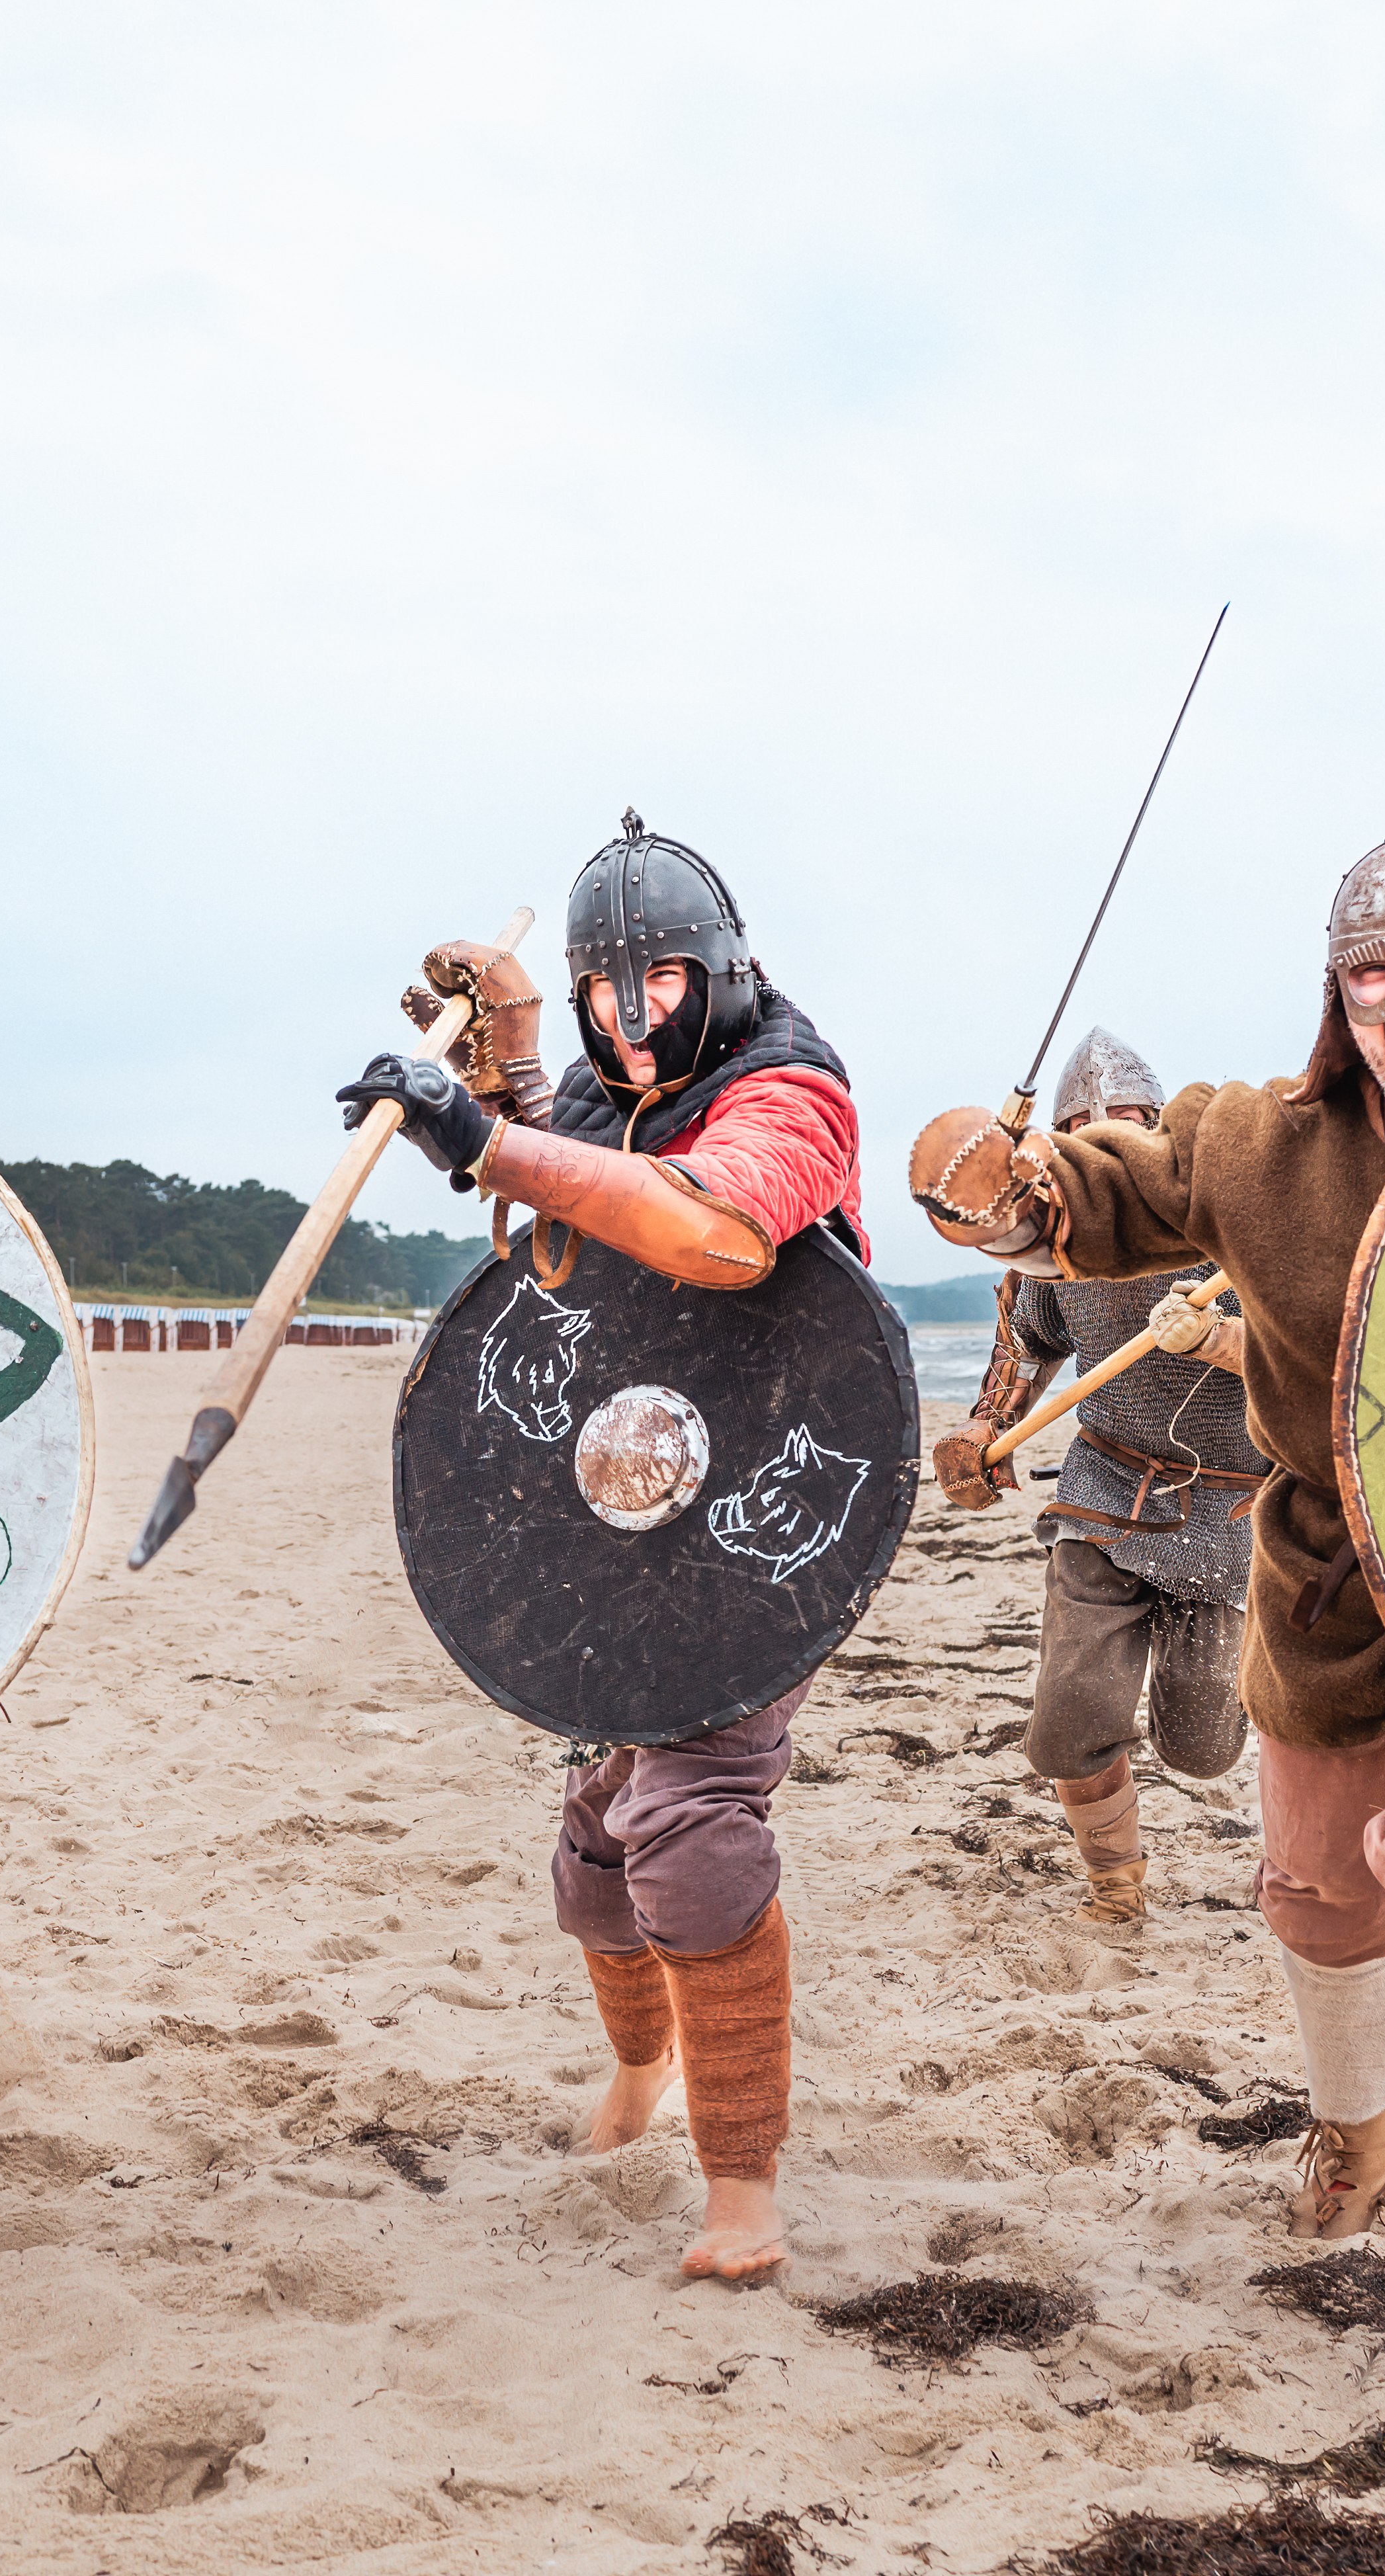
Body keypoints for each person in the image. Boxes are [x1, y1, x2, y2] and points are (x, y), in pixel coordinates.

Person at [907, 833, 1385, 2327]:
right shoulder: (1263, 1147)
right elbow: (1108, 1196)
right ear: (1338, 998)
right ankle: (1363, 2129)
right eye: (1376, 974)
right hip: (1325, 1574)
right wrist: (1010, 1196)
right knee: (1321, 1890)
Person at [336, 812, 867, 2282]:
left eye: (663, 985)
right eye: (602, 995)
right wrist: (504, 1051)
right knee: (594, 1859)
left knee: (690, 1830)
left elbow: (710, 1225)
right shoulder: (603, 1083)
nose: (632, 1024)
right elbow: (558, 1214)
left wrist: (488, 1136)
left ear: (724, 972)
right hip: (622, 1498)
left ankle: (742, 2193)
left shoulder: (790, 1090)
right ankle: (642, 2067)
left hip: (771, 1506)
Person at [933, 1027, 1259, 1928]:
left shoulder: (1227, 1218)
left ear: (1156, 1125)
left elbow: (1314, 1354)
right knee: (1073, 1719)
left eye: (1125, 1119)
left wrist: (1221, 1338)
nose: (1104, 1136)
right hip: (1106, 1491)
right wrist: (984, 1428)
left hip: (1232, 1509)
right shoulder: (1063, 1240)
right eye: (1082, 1125)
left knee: (1203, 1746)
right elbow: (1027, 1342)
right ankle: (1117, 1889)